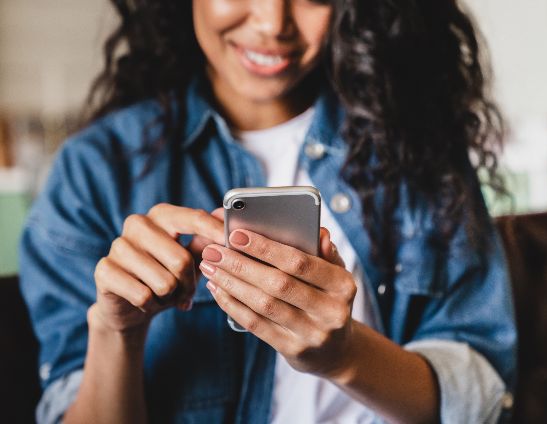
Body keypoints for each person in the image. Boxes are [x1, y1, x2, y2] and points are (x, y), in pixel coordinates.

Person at [20, 0, 517, 423]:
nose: (272, 22)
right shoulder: (96, 171)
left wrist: (344, 356)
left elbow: (481, 395)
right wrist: (116, 332)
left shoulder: (416, 146)